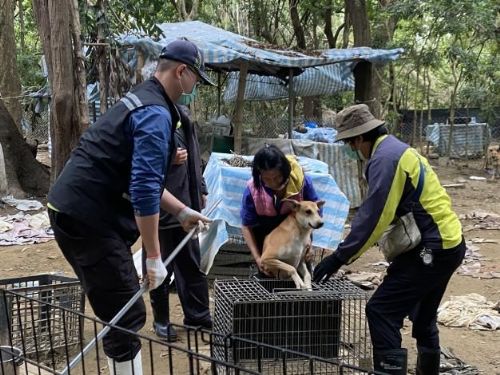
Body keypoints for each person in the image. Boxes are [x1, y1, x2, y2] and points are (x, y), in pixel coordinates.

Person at [47, 39, 214, 375]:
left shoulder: (144, 99)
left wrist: (181, 211)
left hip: (79, 210)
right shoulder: (155, 113)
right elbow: (143, 188)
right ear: (182, 71)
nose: (195, 87)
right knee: (125, 310)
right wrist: (153, 256)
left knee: (120, 306)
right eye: (196, 78)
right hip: (87, 218)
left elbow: (139, 178)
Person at [313, 104, 465, 375]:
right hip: (448, 242)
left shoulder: (385, 158)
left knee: (381, 310)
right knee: (423, 316)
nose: (352, 150)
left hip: (432, 247)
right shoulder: (397, 148)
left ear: (360, 138)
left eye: (350, 144)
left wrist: (339, 257)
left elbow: (375, 216)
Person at [141, 104, 211, 342]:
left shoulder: (184, 118)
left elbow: (196, 157)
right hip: (159, 212)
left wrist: (200, 187)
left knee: (191, 265)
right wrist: (168, 160)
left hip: (186, 205)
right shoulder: (151, 120)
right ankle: (161, 320)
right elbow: (140, 168)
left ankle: (198, 316)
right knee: (160, 267)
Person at [240, 144, 321, 274]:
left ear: (284, 171)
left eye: (277, 177)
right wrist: (258, 258)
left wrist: (309, 242)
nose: (273, 183)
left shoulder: (302, 182)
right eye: (267, 179)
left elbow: (315, 212)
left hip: (299, 236)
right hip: (267, 235)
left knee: (303, 276)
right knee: (269, 278)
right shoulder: (252, 190)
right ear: (259, 175)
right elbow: (246, 226)